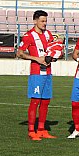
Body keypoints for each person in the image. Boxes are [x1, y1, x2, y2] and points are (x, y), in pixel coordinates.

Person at [17, 10, 56, 141]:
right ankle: (31, 131)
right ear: (35, 21)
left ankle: (42, 130)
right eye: (42, 21)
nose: (45, 23)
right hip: (36, 73)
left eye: (46, 21)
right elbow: (20, 53)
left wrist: (54, 56)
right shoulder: (29, 36)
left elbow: (53, 48)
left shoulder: (48, 34)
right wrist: (36, 59)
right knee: (35, 101)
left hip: (48, 73)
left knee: (46, 101)